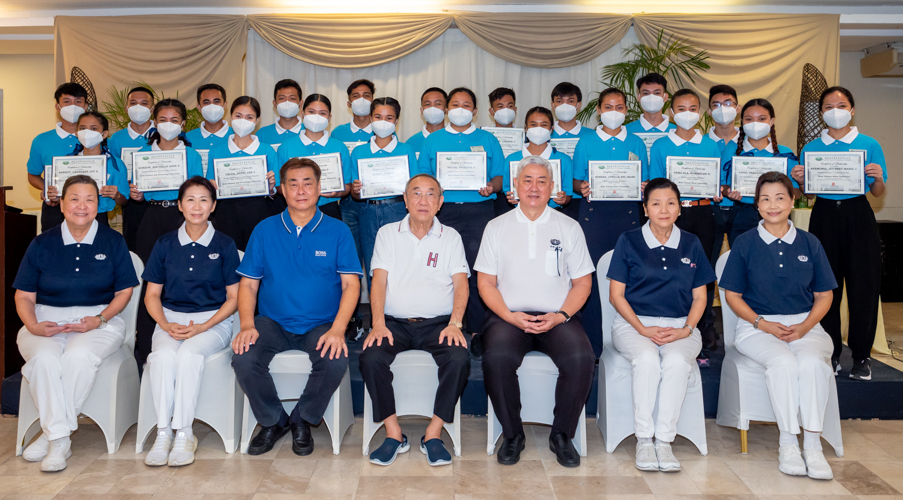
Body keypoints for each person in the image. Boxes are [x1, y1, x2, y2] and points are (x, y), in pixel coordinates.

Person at [231, 158, 362, 456]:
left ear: (319, 188)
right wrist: (247, 325)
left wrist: (339, 329)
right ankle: (273, 420)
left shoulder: (338, 231)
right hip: (272, 322)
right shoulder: (264, 230)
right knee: (244, 357)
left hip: (321, 324)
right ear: (282, 189)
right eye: (293, 183)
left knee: (334, 360)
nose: (301, 190)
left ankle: (303, 418)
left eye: (308, 183)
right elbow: (249, 284)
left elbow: (351, 285)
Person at [476, 156, 596, 468]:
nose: (534, 187)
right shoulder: (496, 227)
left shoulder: (569, 227)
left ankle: (561, 435)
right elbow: (486, 283)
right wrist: (508, 315)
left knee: (581, 357)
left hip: (558, 317)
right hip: (508, 316)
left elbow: (583, 282)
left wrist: (561, 315)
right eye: (527, 180)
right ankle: (513, 434)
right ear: (515, 185)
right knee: (497, 357)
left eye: (542, 181)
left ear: (552, 187)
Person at [14, 175, 138, 472]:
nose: (82, 206)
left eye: (90, 199)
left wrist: (99, 319)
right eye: (74, 198)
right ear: (61, 203)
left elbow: (124, 293)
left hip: (100, 318)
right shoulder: (42, 243)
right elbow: (24, 295)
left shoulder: (113, 241)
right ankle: (59, 435)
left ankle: (53, 437)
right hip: (46, 317)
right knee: (43, 359)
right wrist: (32, 326)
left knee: (78, 356)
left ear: (99, 204)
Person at [720, 172, 838, 480]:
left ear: (792, 200)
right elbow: (732, 295)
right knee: (784, 363)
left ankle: (812, 446)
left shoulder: (810, 242)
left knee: (812, 363)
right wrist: (762, 323)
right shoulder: (744, 243)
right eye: (765, 199)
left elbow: (824, 295)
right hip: (756, 327)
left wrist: (804, 326)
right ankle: (788, 443)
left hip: (806, 325)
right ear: (757, 205)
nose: (773, 205)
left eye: (780, 197)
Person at [359, 174, 471, 467]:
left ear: (440, 201)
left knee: (459, 358)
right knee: (371, 357)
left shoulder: (451, 237)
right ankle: (394, 433)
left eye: (430, 194)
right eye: (416, 194)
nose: (423, 201)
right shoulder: (387, 234)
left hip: (439, 323)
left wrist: (455, 323)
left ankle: (433, 434)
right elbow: (378, 282)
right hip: (394, 323)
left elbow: (462, 284)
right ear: (405, 200)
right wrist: (378, 322)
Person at [607, 178, 715, 473]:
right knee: (646, 359)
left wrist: (687, 329)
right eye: (656, 203)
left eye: (671, 203)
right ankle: (644, 438)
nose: (664, 209)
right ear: (645, 209)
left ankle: (664, 441)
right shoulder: (628, 241)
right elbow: (616, 296)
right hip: (633, 325)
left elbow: (700, 298)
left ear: (680, 208)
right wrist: (642, 329)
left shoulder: (692, 243)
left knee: (678, 362)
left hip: (682, 326)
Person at [142, 177, 240, 467]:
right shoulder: (165, 244)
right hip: (170, 319)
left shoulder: (225, 244)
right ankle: (163, 433)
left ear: (213, 206)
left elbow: (234, 298)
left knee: (188, 356)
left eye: (204, 200)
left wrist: (203, 327)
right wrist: (165, 323)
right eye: (190, 200)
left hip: (214, 321)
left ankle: (184, 433)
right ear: (180, 205)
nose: (197, 206)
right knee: (160, 357)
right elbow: (152, 296)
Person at [792, 86, 887, 380]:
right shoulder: (811, 148)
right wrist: (799, 181)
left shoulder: (869, 144)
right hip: (823, 217)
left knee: (863, 287)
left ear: (852, 109)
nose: (836, 111)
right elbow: (806, 193)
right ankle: (830, 353)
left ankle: (862, 356)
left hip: (858, 215)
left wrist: (878, 177)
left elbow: (878, 192)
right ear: (822, 113)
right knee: (825, 287)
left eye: (842, 105)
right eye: (829, 106)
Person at [418, 87, 505, 340]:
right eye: (455, 104)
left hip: (479, 212)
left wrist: (491, 187)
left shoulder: (488, 139)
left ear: (475, 111)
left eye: (466, 105)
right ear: (446, 110)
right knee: (438, 269)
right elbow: (423, 177)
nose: (460, 110)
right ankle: (437, 329)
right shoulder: (432, 141)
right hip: (441, 213)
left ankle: (478, 331)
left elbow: (499, 177)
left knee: (479, 272)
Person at [648, 89, 723, 365]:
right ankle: (669, 328)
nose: (687, 114)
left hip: (704, 213)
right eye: (681, 109)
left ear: (701, 113)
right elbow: (656, 185)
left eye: (693, 108)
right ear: (671, 113)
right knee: (672, 272)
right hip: (672, 215)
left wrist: (717, 190)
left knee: (701, 275)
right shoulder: (660, 146)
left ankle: (702, 332)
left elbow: (717, 180)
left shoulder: (710, 146)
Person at [572, 87, 648, 357]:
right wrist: (582, 187)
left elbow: (644, 180)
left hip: (628, 215)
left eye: (618, 107)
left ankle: (628, 339)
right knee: (591, 277)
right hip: (593, 216)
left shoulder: (636, 142)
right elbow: (575, 180)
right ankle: (593, 343)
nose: (613, 113)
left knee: (628, 277)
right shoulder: (587, 142)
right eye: (607, 108)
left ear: (626, 111)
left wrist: (642, 186)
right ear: (599, 112)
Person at [131, 99, 205, 368]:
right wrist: (136, 194)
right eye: (163, 119)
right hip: (151, 216)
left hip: (181, 217)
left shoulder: (192, 155)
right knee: (149, 282)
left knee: (181, 278)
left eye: (175, 121)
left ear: (183, 124)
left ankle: (184, 338)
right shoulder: (142, 152)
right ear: (154, 121)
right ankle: (145, 352)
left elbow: (197, 191)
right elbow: (135, 191)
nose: (168, 125)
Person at [350, 97, 419, 277]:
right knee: (374, 265)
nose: (383, 122)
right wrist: (356, 190)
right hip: (368, 211)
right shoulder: (359, 151)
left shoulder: (406, 150)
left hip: (398, 210)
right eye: (378, 116)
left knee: (400, 263)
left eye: (389, 118)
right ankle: (376, 306)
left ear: (396, 121)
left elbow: (415, 187)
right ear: (371, 119)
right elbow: (355, 194)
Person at [205, 96, 279, 251]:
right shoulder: (217, 151)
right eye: (238, 116)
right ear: (231, 117)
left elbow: (274, 191)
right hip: (225, 213)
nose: (243, 121)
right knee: (228, 258)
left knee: (258, 257)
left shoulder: (266, 150)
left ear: (257, 120)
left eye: (249, 117)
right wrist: (211, 187)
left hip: (259, 211)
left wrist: (271, 187)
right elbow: (209, 186)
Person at [722, 98, 799, 247]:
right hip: (742, 214)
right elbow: (722, 185)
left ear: (771, 121)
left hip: (777, 213)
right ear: (742, 122)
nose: (755, 123)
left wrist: (797, 182)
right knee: (744, 261)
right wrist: (729, 192)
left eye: (762, 119)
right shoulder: (731, 150)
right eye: (749, 119)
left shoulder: (785, 154)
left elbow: (797, 193)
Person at [276, 94, 352, 221]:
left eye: (322, 113)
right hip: (295, 208)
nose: (316, 117)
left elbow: (347, 185)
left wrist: (336, 193)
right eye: (311, 112)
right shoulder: (286, 146)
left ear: (329, 118)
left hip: (329, 208)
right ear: (303, 114)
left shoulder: (339, 147)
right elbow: (279, 185)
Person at [27, 82, 85, 232]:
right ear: (57, 107)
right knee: (53, 251)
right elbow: (33, 176)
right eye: (67, 102)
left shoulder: (98, 139)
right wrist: (47, 189)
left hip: (90, 207)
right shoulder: (41, 140)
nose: (73, 106)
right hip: (54, 207)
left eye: (78, 102)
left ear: (85, 107)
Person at [501, 106, 574, 214]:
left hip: (554, 213)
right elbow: (507, 190)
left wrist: (563, 199)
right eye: (533, 125)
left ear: (551, 129)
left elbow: (568, 195)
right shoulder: (511, 159)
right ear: (526, 128)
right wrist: (512, 198)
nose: (538, 129)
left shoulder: (564, 160)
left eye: (544, 125)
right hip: (520, 213)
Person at [109, 86, 155, 251]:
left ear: (152, 108)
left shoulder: (163, 134)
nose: (138, 107)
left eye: (144, 103)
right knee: (134, 246)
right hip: (130, 203)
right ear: (127, 108)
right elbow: (113, 170)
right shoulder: (116, 139)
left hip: (158, 199)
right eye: (133, 103)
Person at [65, 111, 130, 226]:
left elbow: (124, 201)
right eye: (82, 128)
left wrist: (117, 195)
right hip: (70, 216)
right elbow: (59, 194)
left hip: (100, 218)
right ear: (76, 133)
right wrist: (52, 194)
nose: (87, 132)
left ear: (104, 134)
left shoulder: (115, 163)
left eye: (93, 129)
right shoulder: (67, 161)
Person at [706, 85, 741, 269]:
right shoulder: (701, 143)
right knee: (706, 266)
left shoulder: (750, 144)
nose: (723, 109)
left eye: (728, 104)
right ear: (709, 111)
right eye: (717, 105)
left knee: (745, 266)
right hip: (709, 211)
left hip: (743, 210)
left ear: (738, 108)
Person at [550, 82, 594, 219]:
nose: (565, 106)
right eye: (559, 101)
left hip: (582, 199)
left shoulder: (591, 136)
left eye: (570, 101)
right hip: (552, 200)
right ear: (553, 105)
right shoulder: (543, 135)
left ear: (578, 105)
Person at [256, 79, 304, 150]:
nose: (287, 102)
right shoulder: (262, 134)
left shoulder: (309, 132)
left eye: (292, 98)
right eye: (282, 98)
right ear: (275, 104)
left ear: (300, 104)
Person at [186, 84, 231, 154]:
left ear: (225, 105)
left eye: (216, 101)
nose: (212, 106)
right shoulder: (188, 138)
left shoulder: (236, 136)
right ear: (199, 108)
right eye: (206, 102)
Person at [331, 79, 376, 143]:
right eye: (356, 96)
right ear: (349, 104)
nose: (361, 99)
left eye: (366, 95)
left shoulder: (383, 131)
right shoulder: (338, 132)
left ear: (372, 102)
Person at [405, 87, 447, 154]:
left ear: (446, 109)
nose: (432, 108)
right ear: (422, 111)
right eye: (427, 104)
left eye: (438, 104)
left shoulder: (455, 140)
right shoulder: (411, 143)